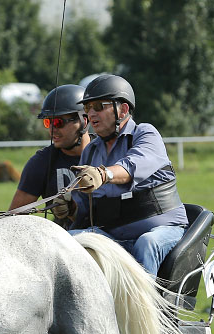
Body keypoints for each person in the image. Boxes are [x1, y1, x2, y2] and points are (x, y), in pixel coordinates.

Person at [60, 74, 188, 276]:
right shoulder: (90, 151)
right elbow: (85, 209)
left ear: (123, 109)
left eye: (99, 107)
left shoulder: (146, 134)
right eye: (87, 108)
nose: (91, 114)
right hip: (112, 237)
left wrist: (104, 174)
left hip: (163, 230)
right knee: (68, 240)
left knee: (147, 244)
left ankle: (148, 307)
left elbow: (132, 167)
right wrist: (68, 208)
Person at [8, 84, 91, 227]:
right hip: (63, 243)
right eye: (48, 122)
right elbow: (12, 219)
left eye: (58, 122)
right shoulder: (41, 163)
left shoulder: (108, 152)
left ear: (84, 121)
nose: (52, 130)